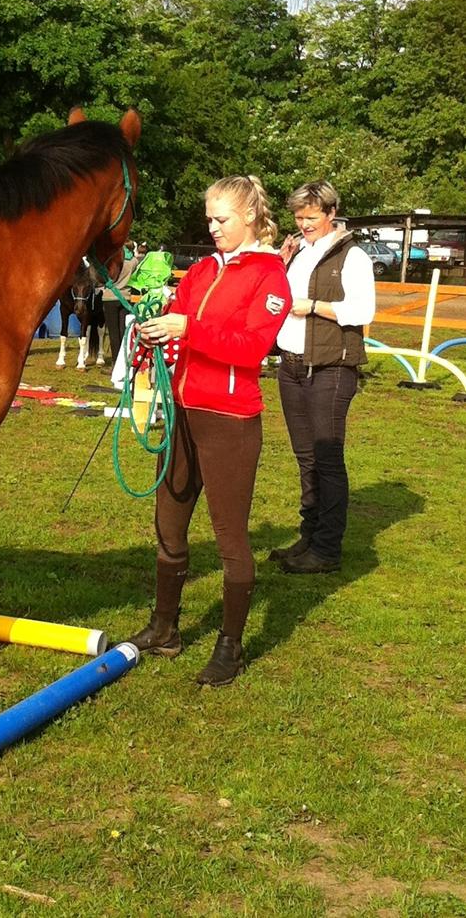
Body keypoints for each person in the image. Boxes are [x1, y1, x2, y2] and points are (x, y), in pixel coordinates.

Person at [125, 176, 290, 686]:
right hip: (180, 412)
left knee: (230, 537)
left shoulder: (271, 278)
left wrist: (188, 329)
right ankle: (165, 628)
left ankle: (230, 647)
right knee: (168, 524)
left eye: (221, 219)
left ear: (249, 218)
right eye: (210, 219)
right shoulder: (200, 270)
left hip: (230, 421)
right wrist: (154, 330)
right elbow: (178, 318)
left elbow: (249, 348)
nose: (212, 227)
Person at [271, 181, 375, 574]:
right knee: (306, 459)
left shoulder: (354, 256)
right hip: (292, 365)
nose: (303, 224)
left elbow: (362, 310)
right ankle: (309, 536)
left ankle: (327, 548)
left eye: (311, 217)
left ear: (331, 213)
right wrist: (280, 265)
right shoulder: (298, 252)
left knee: (327, 460)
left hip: (331, 368)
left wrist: (311, 306)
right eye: (299, 217)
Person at [102, 241, 141, 363]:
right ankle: (124, 361)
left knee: (113, 334)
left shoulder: (113, 261)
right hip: (126, 298)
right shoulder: (134, 261)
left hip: (110, 297)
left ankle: (115, 363)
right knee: (123, 331)